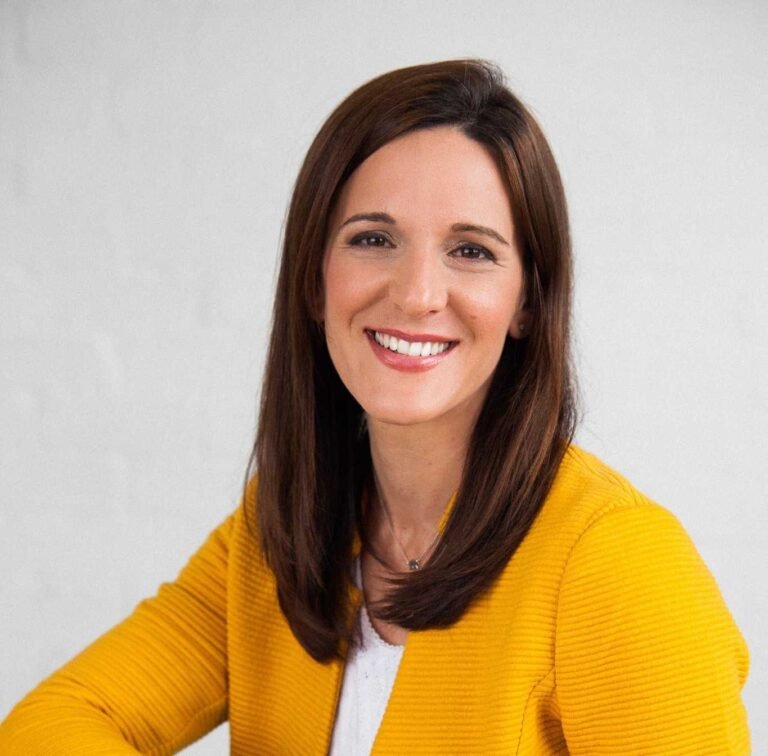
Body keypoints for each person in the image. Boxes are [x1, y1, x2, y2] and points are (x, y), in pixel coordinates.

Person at [0, 59, 750, 754]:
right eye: (373, 239)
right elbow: (56, 723)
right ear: (313, 279)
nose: (417, 294)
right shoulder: (282, 529)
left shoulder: (620, 563)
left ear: (528, 301)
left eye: (471, 251)